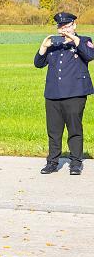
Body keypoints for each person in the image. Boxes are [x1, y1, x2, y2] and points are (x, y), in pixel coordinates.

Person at [35, 12, 94, 175]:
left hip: (75, 94)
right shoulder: (55, 44)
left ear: (74, 25)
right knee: (54, 131)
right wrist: (44, 46)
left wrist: (74, 39)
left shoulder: (84, 41)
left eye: (67, 26)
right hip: (53, 94)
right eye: (61, 26)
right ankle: (52, 162)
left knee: (74, 130)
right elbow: (38, 63)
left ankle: (75, 163)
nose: (64, 29)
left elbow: (90, 55)